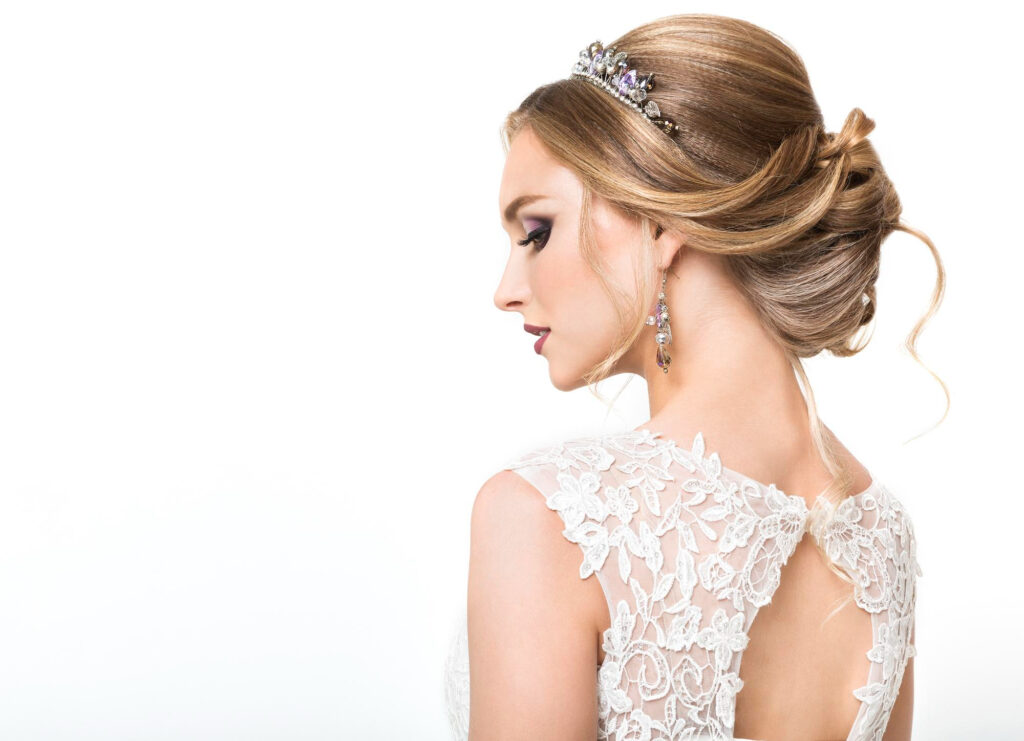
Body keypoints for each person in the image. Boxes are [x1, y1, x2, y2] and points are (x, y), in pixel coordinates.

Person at [443, 13, 943, 741]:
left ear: (661, 222)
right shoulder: (881, 537)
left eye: (537, 232)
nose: (506, 290)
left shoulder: (550, 519)